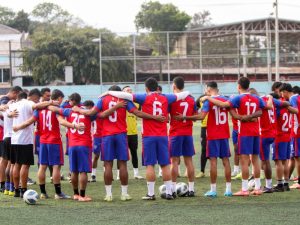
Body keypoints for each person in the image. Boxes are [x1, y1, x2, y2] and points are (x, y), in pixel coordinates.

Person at [73, 85, 164, 202]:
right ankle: (124, 194)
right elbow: (137, 113)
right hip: (121, 135)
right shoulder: (123, 100)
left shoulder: (103, 99)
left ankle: (109, 194)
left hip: (107, 136)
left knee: (108, 165)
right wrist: (155, 117)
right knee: (123, 165)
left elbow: (92, 113)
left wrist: (79, 110)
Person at [105, 78, 190, 200]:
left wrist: (108, 93)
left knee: (150, 165)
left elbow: (123, 94)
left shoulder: (144, 97)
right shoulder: (166, 97)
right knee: (165, 164)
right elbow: (184, 94)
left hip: (149, 136)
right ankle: (170, 192)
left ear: (146, 88)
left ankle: (151, 194)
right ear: (157, 88)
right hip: (162, 136)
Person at [202, 77, 266, 196]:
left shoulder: (238, 98)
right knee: (255, 159)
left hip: (245, 133)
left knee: (244, 160)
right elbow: (262, 110)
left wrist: (208, 97)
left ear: (238, 86)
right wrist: (251, 115)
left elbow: (223, 104)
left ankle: (245, 189)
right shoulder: (256, 97)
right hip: (256, 132)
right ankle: (257, 188)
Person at [13, 89, 79, 200]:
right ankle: (58, 193)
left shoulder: (40, 109)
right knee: (56, 166)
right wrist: (74, 126)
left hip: (43, 141)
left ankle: (43, 193)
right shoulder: (55, 109)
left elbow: (29, 121)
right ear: (58, 98)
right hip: (54, 141)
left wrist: (17, 127)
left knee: (42, 166)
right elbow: (62, 121)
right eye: (61, 99)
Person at [177, 81, 232, 197]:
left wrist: (185, 117)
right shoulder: (225, 99)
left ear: (208, 89)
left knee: (213, 162)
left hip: (213, 135)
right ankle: (228, 189)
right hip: (224, 134)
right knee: (226, 161)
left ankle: (213, 190)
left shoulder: (207, 101)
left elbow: (201, 116)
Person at [11, 89, 58, 198]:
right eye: (37, 99)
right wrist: (50, 102)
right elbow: (38, 106)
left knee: (16, 164)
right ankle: (23, 189)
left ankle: (16, 190)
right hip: (25, 139)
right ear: (33, 96)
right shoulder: (29, 103)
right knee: (25, 165)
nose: (37, 101)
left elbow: (8, 113)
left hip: (14, 139)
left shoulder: (14, 104)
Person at [169, 76, 196, 197]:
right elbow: (196, 116)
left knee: (174, 161)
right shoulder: (191, 99)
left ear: (174, 86)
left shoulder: (172, 99)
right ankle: (191, 189)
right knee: (189, 161)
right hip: (188, 133)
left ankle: (173, 190)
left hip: (175, 133)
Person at [0, 86, 22, 192]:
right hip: (12, 137)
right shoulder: (10, 104)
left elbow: (3, 110)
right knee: (9, 163)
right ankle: (9, 186)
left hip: (5, 136)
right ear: (15, 93)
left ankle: (5, 186)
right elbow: (3, 108)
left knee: (6, 161)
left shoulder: (7, 105)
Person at [272, 83, 293, 192]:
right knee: (285, 161)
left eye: (282, 91)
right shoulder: (289, 106)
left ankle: (280, 184)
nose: (281, 93)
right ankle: (286, 183)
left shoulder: (280, 107)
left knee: (278, 161)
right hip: (287, 136)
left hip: (279, 136)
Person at [121, 86, 143, 180]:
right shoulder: (121, 103)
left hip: (133, 132)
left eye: (130, 90)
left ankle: (136, 173)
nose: (129, 91)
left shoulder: (137, 103)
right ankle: (119, 174)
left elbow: (139, 115)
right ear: (123, 92)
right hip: (122, 133)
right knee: (121, 154)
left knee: (134, 153)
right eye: (127, 90)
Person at [195, 95, 208, 178]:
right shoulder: (201, 98)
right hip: (204, 126)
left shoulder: (216, 98)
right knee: (204, 148)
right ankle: (202, 171)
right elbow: (195, 107)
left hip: (214, 126)